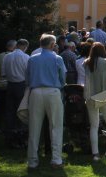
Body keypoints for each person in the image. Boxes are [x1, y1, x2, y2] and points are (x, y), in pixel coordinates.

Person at [26, 34, 66, 170]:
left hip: (36, 92)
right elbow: (62, 78)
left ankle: (32, 161)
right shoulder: (57, 58)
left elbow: (28, 78)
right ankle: (56, 159)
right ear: (51, 44)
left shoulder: (32, 59)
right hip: (53, 92)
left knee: (34, 127)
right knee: (56, 126)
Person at [84, 43, 106, 162]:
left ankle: (95, 154)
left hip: (90, 95)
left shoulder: (86, 62)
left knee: (94, 126)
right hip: (103, 94)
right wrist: (105, 82)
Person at [1, 39, 29, 148]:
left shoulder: (7, 57)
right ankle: (21, 137)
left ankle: (9, 136)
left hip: (10, 85)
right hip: (21, 85)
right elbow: (28, 73)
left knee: (10, 112)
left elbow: (3, 73)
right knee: (22, 111)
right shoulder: (26, 57)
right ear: (25, 46)